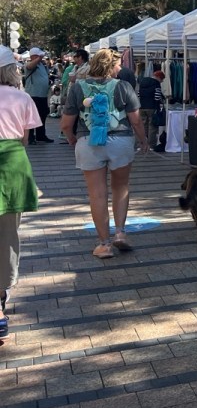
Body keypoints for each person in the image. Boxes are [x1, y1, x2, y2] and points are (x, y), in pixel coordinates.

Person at [60, 49, 149, 259]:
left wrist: (72, 139)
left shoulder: (78, 88)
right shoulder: (123, 86)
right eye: (117, 65)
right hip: (121, 141)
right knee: (121, 187)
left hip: (88, 142)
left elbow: (65, 123)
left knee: (97, 194)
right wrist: (144, 140)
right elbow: (135, 120)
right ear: (110, 66)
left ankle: (104, 245)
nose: (120, 68)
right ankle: (120, 233)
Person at [0, 46, 42, 336]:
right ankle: (2, 290)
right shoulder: (21, 97)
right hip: (13, 163)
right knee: (9, 233)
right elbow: (25, 139)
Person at [22, 48, 53, 144]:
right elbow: (30, 67)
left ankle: (41, 135)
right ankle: (30, 137)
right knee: (31, 116)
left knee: (42, 115)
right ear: (33, 56)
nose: (41, 58)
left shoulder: (42, 65)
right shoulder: (28, 65)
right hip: (33, 95)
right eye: (38, 56)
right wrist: (39, 58)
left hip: (43, 95)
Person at [136, 65, 164, 150]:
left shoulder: (142, 82)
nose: (162, 81)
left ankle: (141, 144)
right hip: (152, 107)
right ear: (159, 77)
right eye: (162, 79)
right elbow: (157, 97)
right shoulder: (156, 84)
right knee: (152, 126)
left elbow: (139, 94)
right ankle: (151, 145)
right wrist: (159, 103)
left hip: (142, 106)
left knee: (143, 125)